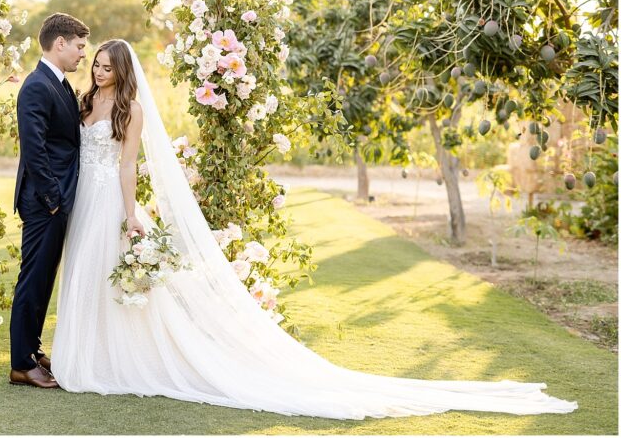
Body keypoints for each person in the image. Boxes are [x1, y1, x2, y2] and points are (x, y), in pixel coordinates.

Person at [49, 37, 578, 419]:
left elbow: (125, 166)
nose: (97, 71)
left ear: (122, 68)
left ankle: (119, 361)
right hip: (82, 202)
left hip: (111, 201)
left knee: (118, 275)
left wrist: (131, 212)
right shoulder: (85, 101)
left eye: (106, 65)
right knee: (87, 275)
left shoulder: (132, 109)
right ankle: (87, 353)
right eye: (94, 64)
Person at [8, 13, 88, 389]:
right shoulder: (37, 86)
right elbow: (35, 149)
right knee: (33, 279)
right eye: (79, 46)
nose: (82, 54)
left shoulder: (58, 83)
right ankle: (21, 364)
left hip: (55, 199)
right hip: (44, 201)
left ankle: (33, 349)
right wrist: (53, 199)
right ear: (60, 43)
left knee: (43, 280)